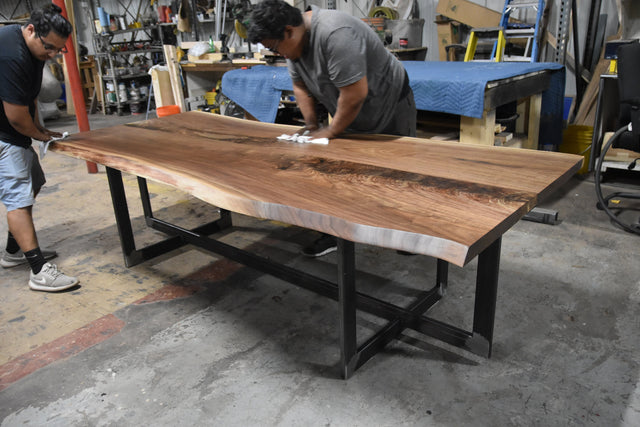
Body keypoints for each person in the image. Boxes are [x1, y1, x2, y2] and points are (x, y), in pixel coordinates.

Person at [248, 0, 416, 257]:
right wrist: (312, 125)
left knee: (398, 174)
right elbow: (300, 86)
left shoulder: (336, 33)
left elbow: (355, 93)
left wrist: (332, 130)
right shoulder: (292, 46)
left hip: (388, 100)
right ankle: (335, 232)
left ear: (290, 30)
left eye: (274, 46)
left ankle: (408, 236)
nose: (277, 53)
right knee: (336, 173)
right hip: (347, 106)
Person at [0, 4, 78, 291]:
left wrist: (40, 128)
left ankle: (13, 252)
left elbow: (28, 98)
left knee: (33, 181)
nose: (53, 54)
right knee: (18, 197)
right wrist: (38, 136)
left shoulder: (35, 48)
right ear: (30, 30)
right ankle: (39, 272)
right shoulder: (12, 55)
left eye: (59, 50)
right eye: (50, 48)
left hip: (11, 129)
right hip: (3, 133)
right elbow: (15, 117)